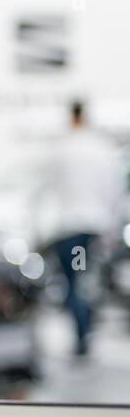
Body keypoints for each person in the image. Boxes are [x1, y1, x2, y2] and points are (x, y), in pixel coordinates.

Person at [48, 100, 125, 357]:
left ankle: (81, 335)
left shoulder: (63, 148)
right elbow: (114, 191)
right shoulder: (102, 149)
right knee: (89, 282)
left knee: (73, 284)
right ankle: (86, 330)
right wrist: (111, 228)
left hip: (69, 227)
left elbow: (54, 190)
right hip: (96, 227)